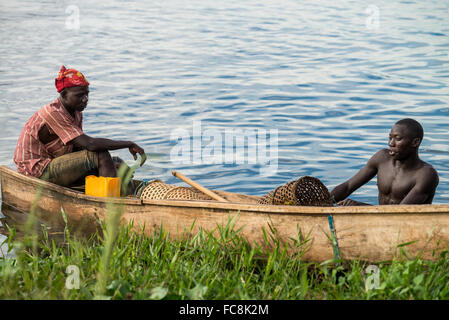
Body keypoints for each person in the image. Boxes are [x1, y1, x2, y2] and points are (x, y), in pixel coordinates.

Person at [13, 65, 146, 191]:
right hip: (37, 170)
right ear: (64, 95)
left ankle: (123, 195)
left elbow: (78, 148)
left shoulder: (76, 112)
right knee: (101, 153)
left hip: (53, 163)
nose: (85, 99)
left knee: (116, 162)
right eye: (79, 95)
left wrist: (112, 163)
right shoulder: (53, 113)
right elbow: (91, 144)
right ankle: (109, 203)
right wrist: (129, 144)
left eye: (87, 94)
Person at [330, 118, 439, 206]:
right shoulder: (382, 158)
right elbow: (348, 186)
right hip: (380, 222)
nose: (391, 143)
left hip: (408, 226)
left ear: (415, 142)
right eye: (390, 138)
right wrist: (324, 202)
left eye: (397, 139)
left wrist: (361, 207)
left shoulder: (426, 174)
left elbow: (401, 213)